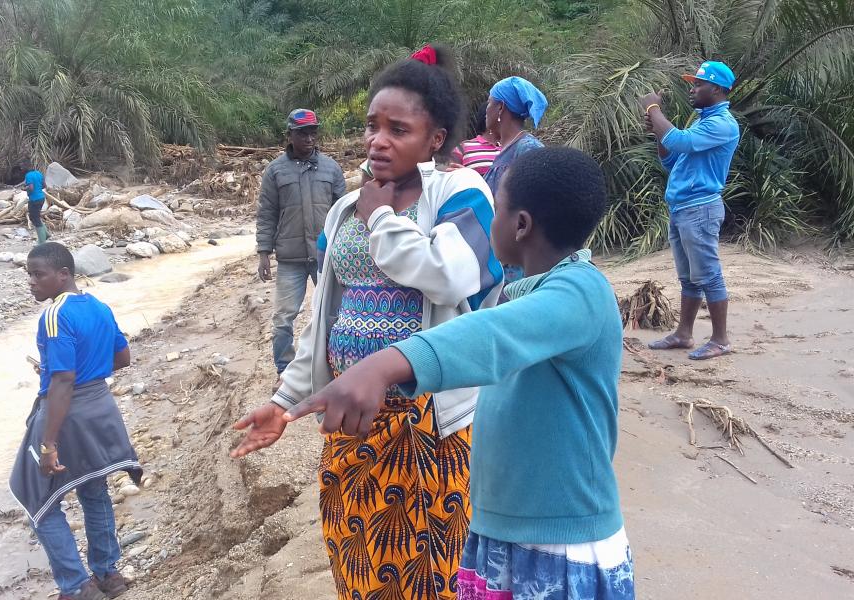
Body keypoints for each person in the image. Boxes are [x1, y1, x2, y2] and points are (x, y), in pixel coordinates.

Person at [285, 146, 634, 600]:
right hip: (505, 531)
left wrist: (384, 363)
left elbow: (488, 338)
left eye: (498, 208)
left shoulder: (581, 292)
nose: (489, 222)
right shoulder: (523, 292)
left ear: (520, 225)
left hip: (561, 543)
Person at [232, 44, 504, 600]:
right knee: (358, 558)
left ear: (436, 138)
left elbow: (450, 277)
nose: (377, 140)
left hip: (425, 423)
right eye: (372, 126)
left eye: (397, 129)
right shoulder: (343, 209)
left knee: (430, 565)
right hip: (349, 420)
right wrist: (284, 402)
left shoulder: (459, 194)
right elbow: (327, 314)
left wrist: (380, 215)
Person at [9, 242, 140, 600]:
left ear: (63, 274)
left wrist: (49, 443)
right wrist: (85, 371)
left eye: (38, 274)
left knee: (35, 497)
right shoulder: (99, 306)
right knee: (93, 488)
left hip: (68, 414)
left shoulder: (54, 315)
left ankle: (76, 586)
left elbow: (63, 381)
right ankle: (108, 574)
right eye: (29, 275)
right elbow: (123, 356)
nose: (32, 282)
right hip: (102, 407)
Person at [640, 60, 740, 360]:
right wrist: (658, 132)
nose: (692, 89)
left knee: (708, 275)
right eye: (693, 83)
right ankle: (684, 334)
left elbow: (680, 142)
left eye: (698, 84)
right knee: (688, 278)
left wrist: (653, 110)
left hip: (700, 208)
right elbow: (671, 160)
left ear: (718, 89)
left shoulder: (722, 123)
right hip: (683, 207)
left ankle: (720, 340)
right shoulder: (702, 121)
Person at [256, 109, 346, 380]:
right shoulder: (275, 171)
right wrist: (263, 253)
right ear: (290, 135)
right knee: (283, 318)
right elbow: (267, 212)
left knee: (336, 313)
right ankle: (285, 371)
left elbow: (344, 212)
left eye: (312, 132)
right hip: (290, 258)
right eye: (302, 133)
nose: (309, 138)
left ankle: (335, 367)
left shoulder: (331, 168)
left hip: (324, 256)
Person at [482, 76, 548, 283]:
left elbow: (540, 208)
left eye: (489, 103)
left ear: (501, 108)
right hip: (502, 263)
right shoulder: (506, 151)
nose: (486, 110)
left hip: (520, 269)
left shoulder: (528, 150)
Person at [450, 104, 501, 176]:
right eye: (500, 117)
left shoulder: (508, 148)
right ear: (487, 117)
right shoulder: (463, 147)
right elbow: (450, 175)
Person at [19, 168, 49, 245]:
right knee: (37, 217)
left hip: (34, 199)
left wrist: (24, 189)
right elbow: (44, 185)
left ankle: (42, 241)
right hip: (41, 198)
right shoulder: (39, 173)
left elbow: (31, 188)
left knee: (34, 218)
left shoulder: (28, 175)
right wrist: (37, 188)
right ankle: (46, 234)